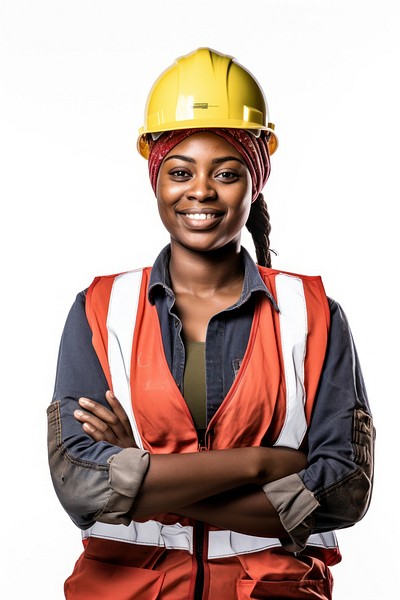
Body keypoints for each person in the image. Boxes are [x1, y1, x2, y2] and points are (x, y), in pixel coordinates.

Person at [47, 47, 374, 600]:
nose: (200, 190)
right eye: (180, 171)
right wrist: (261, 463)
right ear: (156, 178)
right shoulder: (101, 309)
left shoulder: (312, 313)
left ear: (255, 180)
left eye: (226, 172)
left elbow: (341, 492)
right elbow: (84, 487)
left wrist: (145, 473)